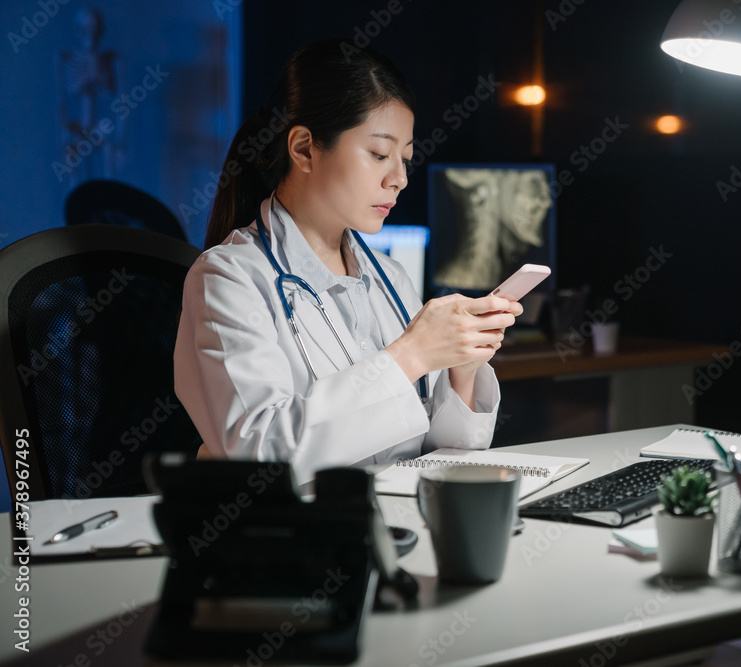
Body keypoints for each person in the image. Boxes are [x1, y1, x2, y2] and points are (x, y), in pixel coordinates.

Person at [174, 39, 521, 484]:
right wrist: (409, 355)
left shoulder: (389, 278)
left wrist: (462, 371)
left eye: (405, 159)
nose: (398, 179)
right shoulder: (227, 278)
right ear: (303, 149)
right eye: (379, 154)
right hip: (290, 541)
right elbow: (259, 456)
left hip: (395, 526)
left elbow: (437, 453)